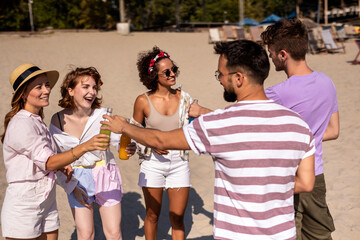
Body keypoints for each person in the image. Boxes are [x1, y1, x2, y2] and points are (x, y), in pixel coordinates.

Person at [101, 40, 316, 240]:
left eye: (220, 74)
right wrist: (267, 187)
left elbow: (160, 140)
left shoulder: (218, 123)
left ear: (238, 78)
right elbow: (306, 183)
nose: (220, 79)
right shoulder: (299, 125)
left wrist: (124, 127)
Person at [1, 63, 109, 240]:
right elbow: (49, 162)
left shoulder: (37, 121)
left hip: (47, 201)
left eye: (47, 85)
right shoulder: (21, 123)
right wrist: (85, 146)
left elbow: (52, 165)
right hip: (24, 205)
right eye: (39, 87)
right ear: (23, 93)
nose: (46, 90)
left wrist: (71, 185)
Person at [260, 19, 339, 240]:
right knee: (320, 235)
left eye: (272, 52)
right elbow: (333, 130)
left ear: (283, 54)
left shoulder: (277, 93)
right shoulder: (327, 82)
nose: (271, 57)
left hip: (289, 176)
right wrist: (309, 138)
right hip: (316, 174)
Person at [49, 66, 135, 240]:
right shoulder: (57, 120)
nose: (92, 92)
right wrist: (70, 185)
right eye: (86, 87)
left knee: (113, 233)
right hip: (76, 177)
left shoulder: (103, 116)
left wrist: (128, 147)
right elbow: (56, 159)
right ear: (71, 90)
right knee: (85, 234)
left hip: (105, 172)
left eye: (94, 87)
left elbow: (120, 143)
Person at [130, 46, 194, 240]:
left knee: (177, 218)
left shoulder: (185, 98)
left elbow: (192, 129)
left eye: (174, 69)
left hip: (180, 162)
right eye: (167, 71)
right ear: (154, 75)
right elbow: (134, 132)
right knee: (152, 215)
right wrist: (150, 144)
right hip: (152, 163)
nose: (172, 73)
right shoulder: (142, 100)